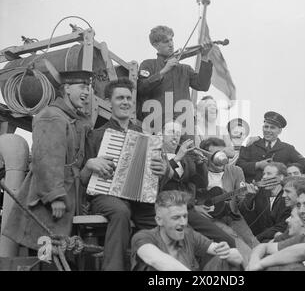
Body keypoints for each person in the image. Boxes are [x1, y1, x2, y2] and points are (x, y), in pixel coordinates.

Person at [3, 71, 97, 250]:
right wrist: (55, 197)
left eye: (89, 88)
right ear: (67, 89)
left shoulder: (73, 120)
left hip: (69, 197)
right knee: (47, 257)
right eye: (82, 87)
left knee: (59, 255)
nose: (87, 92)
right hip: (50, 203)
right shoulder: (51, 116)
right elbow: (46, 161)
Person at [83, 78, 171, 271]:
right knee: (120, 212)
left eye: (129, 98)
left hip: (138, 197)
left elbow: (161, 177)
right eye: (120, 98)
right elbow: (82, 179)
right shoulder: (96, 134)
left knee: (161, 217)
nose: (125, 102)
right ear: (108, 102)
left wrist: (163, 170)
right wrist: (90, 165)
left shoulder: (146, 136)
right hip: (105, 195)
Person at [159, 121, 237, 249]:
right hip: (167, 208)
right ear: (161, 135)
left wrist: (200, 165)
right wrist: (177, 158)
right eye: (171, 132)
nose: (175, 137)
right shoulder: (156, 155)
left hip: (188, 208)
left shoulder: (186, 159)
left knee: (228, 240)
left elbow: (202, 184)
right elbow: (159, 181)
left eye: (178, 134)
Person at [131, 190, 244, 271]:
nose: (183, 223)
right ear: (159, 220)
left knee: (226, 261)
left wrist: (227, 253)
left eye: (185, 216)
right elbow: (156, 261)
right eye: (176, 218)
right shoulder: (143, 237)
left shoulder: (189, 235)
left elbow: (236, 257)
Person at [137, 25, 213, 134]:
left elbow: (203, 85)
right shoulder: (148, 64)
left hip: (185, 128)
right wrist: (163, 70)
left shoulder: (185, 69)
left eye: (171, 40)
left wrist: (205, 57)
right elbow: (141, 88)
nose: (171, 44)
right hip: (158, 126)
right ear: (155, 45)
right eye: (165, 41)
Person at [197, 137, 259, 250]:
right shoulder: (198, 170)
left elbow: (241, 201)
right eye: (215, 154)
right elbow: (190, 196)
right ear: (205, 155)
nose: (220, 158)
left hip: (232, 216)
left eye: (222, 153)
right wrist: (197, 207)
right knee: (237, 242)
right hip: (209, 217)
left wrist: (249, 195)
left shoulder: (236, 171)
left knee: (253, 243)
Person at [237, 111, 305, 183]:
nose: (268, 130)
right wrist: (258, 165)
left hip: (276, 195)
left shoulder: (287, 149)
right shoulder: (251, 144)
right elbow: (238, 166)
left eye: (272, 128)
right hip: (252, 193)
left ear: (279, 131)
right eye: (266, 127)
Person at [239, 162, 291, 242]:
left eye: (269, 174)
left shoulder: (287, 197)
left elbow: (281, 226)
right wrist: (249, 196)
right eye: (264, 174)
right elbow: (242, 212)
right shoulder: (261, 192)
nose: (264, 177)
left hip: (276, 240)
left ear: (281, 177)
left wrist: (257, 239)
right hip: (257, 238)